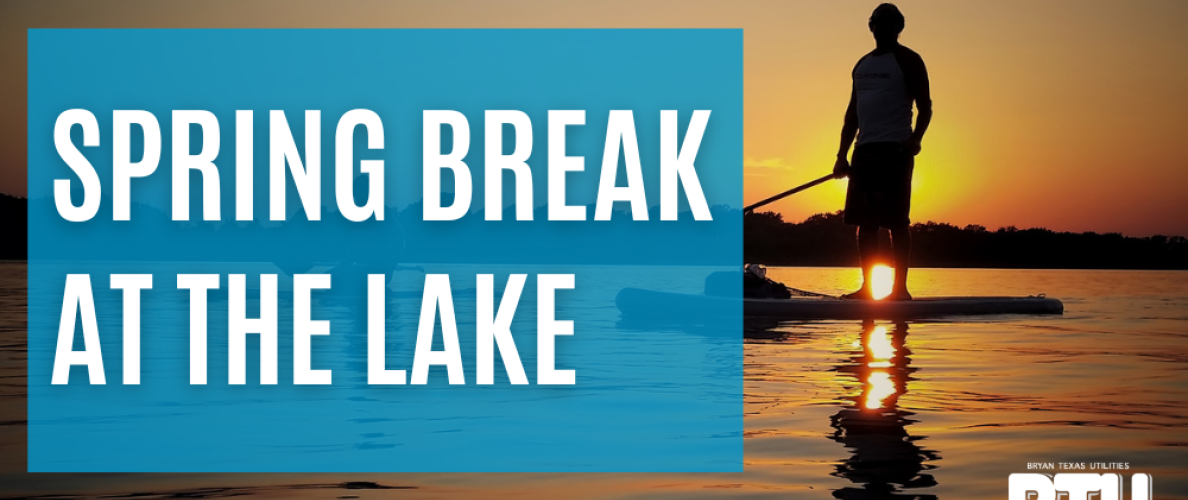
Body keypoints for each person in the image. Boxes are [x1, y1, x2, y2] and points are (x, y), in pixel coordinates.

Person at [833, 3, 931, 301]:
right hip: (864, 151)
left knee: (896, 222)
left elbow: (926, 106)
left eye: (890, 23)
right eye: (879, 22)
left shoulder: (909, 60)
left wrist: (915, 139)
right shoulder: (862, 65)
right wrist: (841, 155)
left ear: (899, 27)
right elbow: (853, 112)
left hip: (895, 150)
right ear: (870, 26)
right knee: (866, 223)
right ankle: (867, 289)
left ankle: (899, 290)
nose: (884, 28)